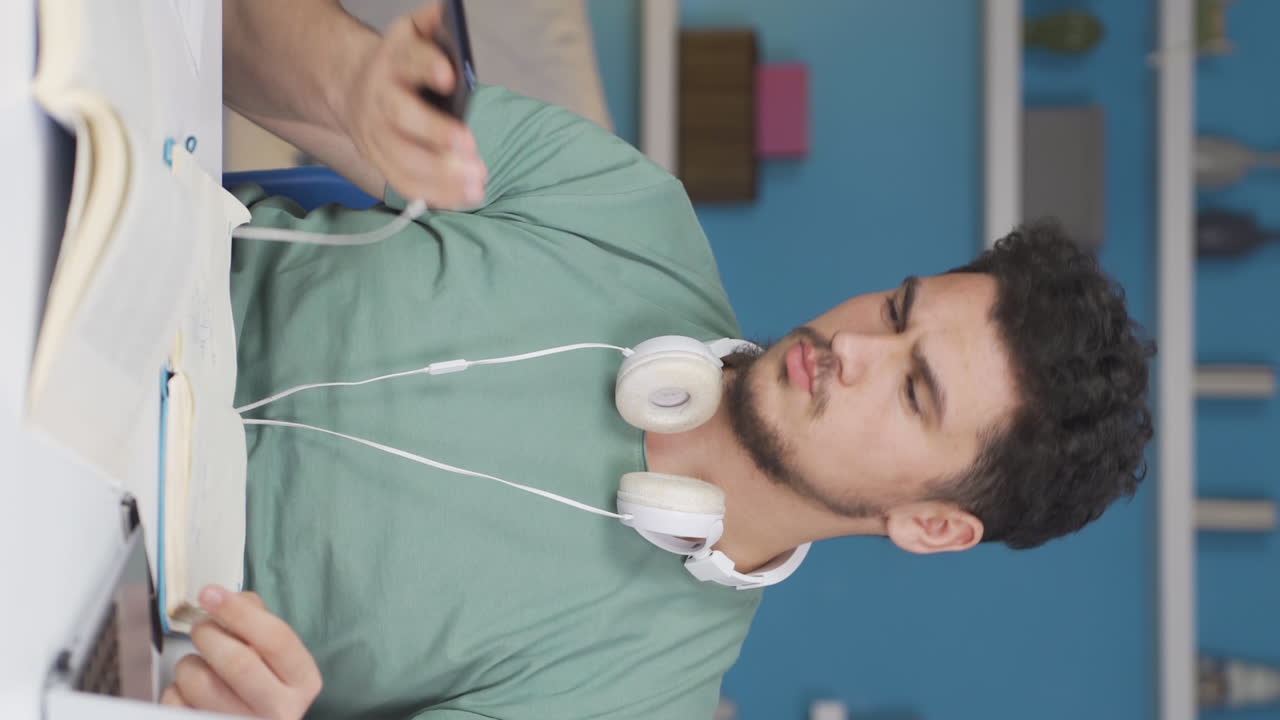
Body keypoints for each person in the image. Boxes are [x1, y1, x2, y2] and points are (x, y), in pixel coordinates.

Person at [162, 2, 1154, 718]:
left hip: (116, 601)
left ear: (932, 524)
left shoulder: (638, 698)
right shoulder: (625, 208)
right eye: (898, 311)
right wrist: (346, 82)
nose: (853, 346)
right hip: (99, 276)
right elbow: (235, 34)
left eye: (913, 388)